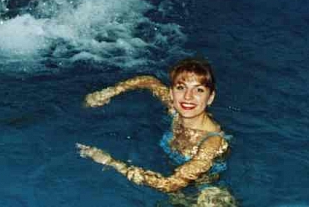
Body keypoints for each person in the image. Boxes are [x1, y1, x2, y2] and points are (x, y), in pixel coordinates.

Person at [77, 58, 236, 206]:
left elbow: (169, 185)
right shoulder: (175, 110)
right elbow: (149, 81)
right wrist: (109, 92)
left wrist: (110, 162)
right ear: (171, 93)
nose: (188, 97)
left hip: (208, 195)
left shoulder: (211, 142)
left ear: (210, 97)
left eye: (199, 90)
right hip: (179, 190)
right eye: (181, 88)